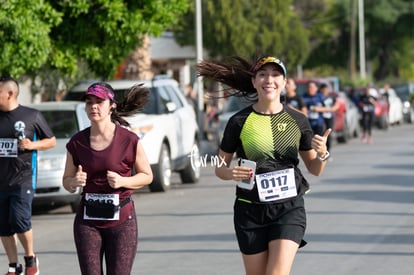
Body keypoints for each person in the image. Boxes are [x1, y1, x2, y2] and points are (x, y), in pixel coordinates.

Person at [195, 56, 331, 275]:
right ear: (254, 82)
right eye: (263, 74)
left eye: (276, 74)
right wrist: (231, 173)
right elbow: (220, 168)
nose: (270, 80)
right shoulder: (239, 121)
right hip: (249, 210)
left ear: (284, 82)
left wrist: (323, 154)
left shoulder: (298, 120)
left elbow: (315, 168)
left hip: (288, 208)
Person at [62, 82, 153, 275]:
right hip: (88, 221)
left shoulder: (129, 140)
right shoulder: (77, 142)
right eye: (89, 102)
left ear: (112, 106)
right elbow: (67, 181)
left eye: (99, 101)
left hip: (122, 220)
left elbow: (147, 176)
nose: (93, 106)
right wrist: (74, 182)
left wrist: (123, 181)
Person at [0, 76, 57, 275]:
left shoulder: (31, 115)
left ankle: (31, 259)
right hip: (1, 181)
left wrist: (32, 145)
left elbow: (51, 141)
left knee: (19, 219)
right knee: (3, 227)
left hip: (23, 179)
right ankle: (14, 266)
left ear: (9, 93)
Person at [319, 83, 340, 152]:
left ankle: (328, 150)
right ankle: (321, 150)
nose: (325, 91)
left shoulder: (331, 97)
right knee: (321, 133)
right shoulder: (319, 97)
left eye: (326, 90)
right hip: (321, 117)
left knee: (329, 134)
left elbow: (336, 105)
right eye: (324, 90)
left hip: (330, 117)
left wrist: (331, 109)